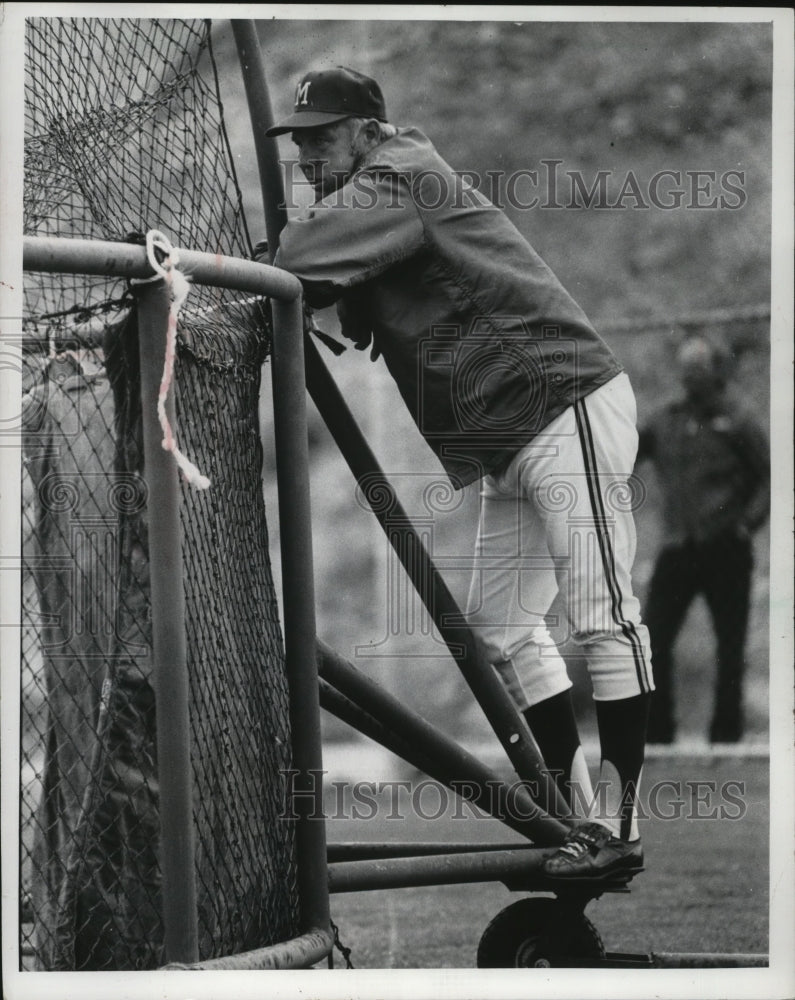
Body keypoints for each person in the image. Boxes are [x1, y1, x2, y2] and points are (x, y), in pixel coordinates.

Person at [267, 66, 654, 879]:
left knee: (603, 616)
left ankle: (618, 826)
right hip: (512, 434)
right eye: (299, 140)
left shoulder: (398, 173)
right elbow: (327, 275)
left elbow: (303, 255)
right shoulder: (377, 186)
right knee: (508, 627)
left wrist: (262, 259)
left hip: (559, 400)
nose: (307, 155)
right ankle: (579, 820)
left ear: (370, 129)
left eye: (322, 136)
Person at [638, 335, 770, 744]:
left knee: (729, 647)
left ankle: (726, 737)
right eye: (686, 370)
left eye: (699, 370)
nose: (691, 378)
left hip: (725, 547)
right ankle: (658, 735)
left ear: (716, 372)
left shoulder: (740, 418)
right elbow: (627, 454)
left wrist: (746, 524)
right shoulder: (665, 419)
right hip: (678, 546)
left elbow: (767, 476)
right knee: (652, 639)